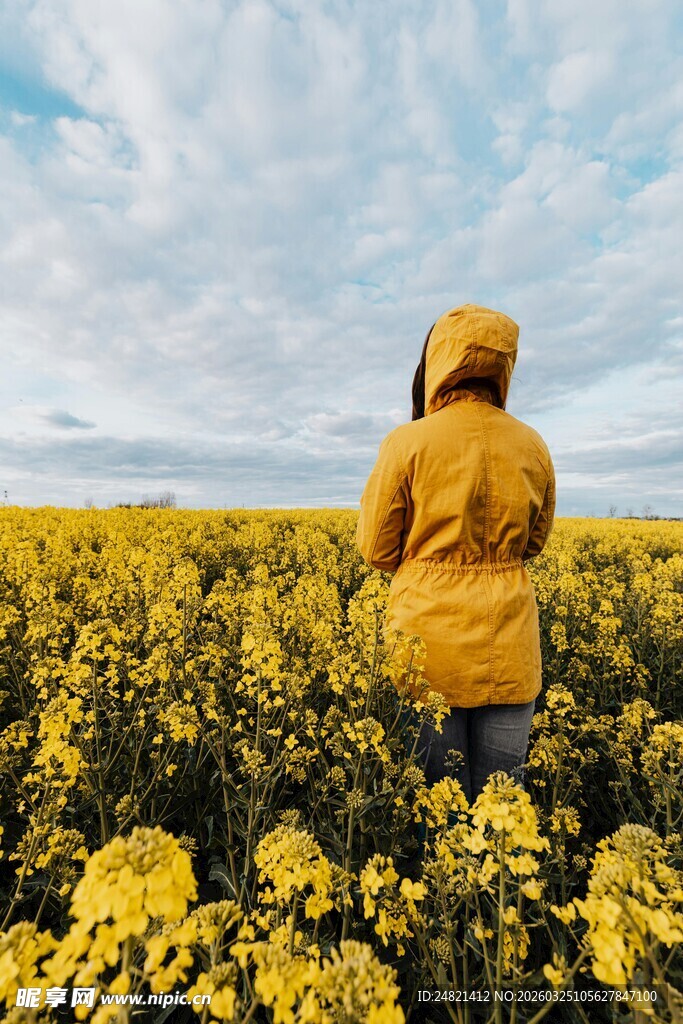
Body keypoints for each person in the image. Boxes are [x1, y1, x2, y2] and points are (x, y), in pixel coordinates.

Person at [355, 303, 556, 806]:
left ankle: (445, 888)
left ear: (436, 363)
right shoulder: (533, 445)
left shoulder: (408, 442)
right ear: (502, 366)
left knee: (437, 812)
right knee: (504, 819)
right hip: (510, 651)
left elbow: (375, 548)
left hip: (429, 654)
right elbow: (534, 543)